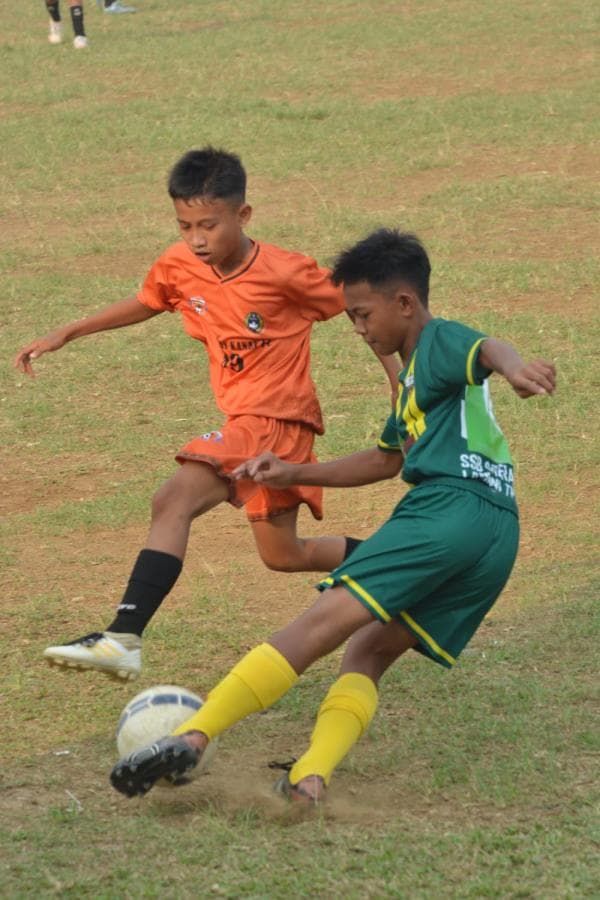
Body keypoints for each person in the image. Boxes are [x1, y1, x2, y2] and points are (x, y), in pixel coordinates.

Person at [109, 227, 556, 804]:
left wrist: (516, 368)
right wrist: (290, 474)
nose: (360, 329)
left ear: (405, 303)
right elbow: (385, 460)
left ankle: (192, 737)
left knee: (315, 628)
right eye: (351, 318)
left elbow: (488, 348)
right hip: (497, 532)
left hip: (446, 509)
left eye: (364, 314)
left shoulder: (438, 341)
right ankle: (310, 779)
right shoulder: (412, 385)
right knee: (369, 650)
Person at [14, 149, 399, 682]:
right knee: (284, 555)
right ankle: (408, 562)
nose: (197, 239)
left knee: (172, 498)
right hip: (256, 425)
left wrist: (398, 379)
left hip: (273, 421)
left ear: (242, 216)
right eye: (185, 225)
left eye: (209, 225)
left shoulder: (285, 272)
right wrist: (70, 331)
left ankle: (122, 637)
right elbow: (151, 300)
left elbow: (361, 308)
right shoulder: (180, 265)